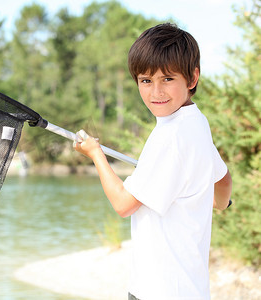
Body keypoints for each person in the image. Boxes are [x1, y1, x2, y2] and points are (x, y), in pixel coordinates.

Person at [73, 23, 232, 300]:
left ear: (192, 78)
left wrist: (95, 154)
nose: (156, 92)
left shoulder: (169, 137)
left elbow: (124, 205)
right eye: (146, 81)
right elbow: (223, 179)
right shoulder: (196, 121)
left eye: (168, 79)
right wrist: (220, 203)